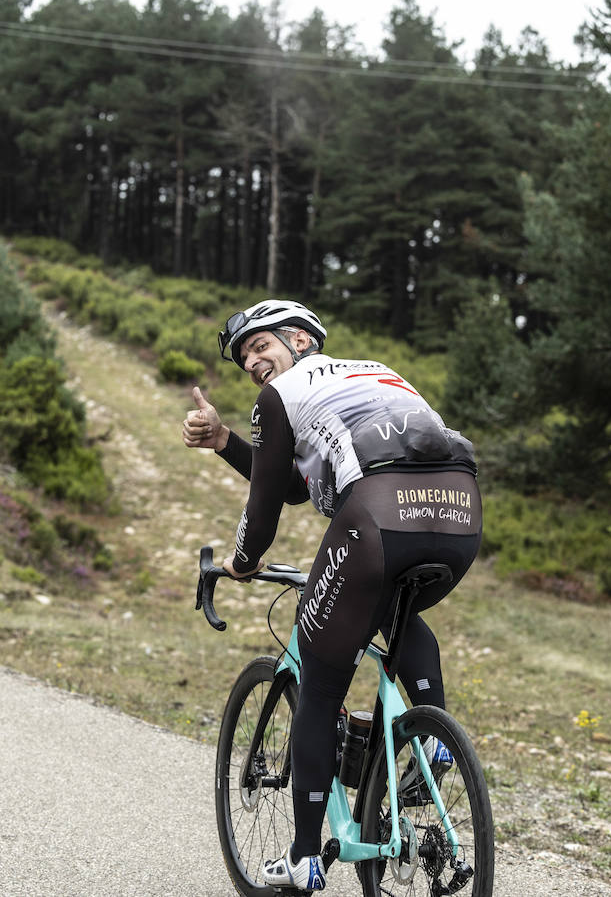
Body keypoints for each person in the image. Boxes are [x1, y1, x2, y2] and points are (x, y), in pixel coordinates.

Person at [182, 299, 482, 892]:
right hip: (459, 512)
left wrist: (243, 562)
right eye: (244, 358)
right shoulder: (376, 372)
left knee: (320, 683)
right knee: (392, 605)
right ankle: (433, 743)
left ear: (299, 339)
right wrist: (224, 440)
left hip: (375, 515)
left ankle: (301, 858)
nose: (252, 363)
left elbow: (267, 505)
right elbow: (298, 484)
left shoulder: (279, 397)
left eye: (260, 346)